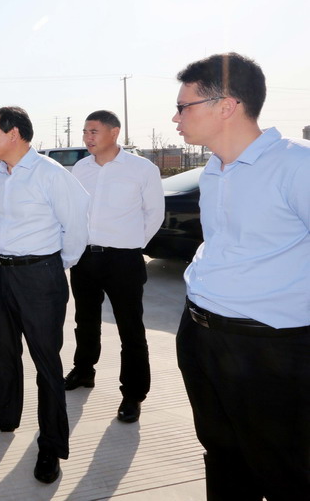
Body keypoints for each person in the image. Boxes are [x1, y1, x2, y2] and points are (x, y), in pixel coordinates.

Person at [172, 52, 310, 500]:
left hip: (268, 349)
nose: (175, 118)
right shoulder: (214, 169)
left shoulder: (297, 165)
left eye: (184, 106)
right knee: (223, 456)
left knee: (285, 468)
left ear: (226, 106)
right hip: (201, 333)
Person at [0, 106, 89, 485]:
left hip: (40, 277)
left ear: (14, 133)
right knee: (3, 351)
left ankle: (51, 444)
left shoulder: (50, 173)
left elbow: (77, 225)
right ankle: (3, 414)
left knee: (46, 363)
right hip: (1, 272)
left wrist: (52, 266)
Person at [65, 110, 164, 423]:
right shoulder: (81, 168)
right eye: (85, 132)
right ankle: (83, 370)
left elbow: (155, 213)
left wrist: (131, 244)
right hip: (85, 257)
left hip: (123, 260)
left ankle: (133, 394)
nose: (87, 137)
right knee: (85, 320)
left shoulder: (141, 169)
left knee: (130, 328)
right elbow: (74, 210)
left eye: (93, 131)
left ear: (114, 132)